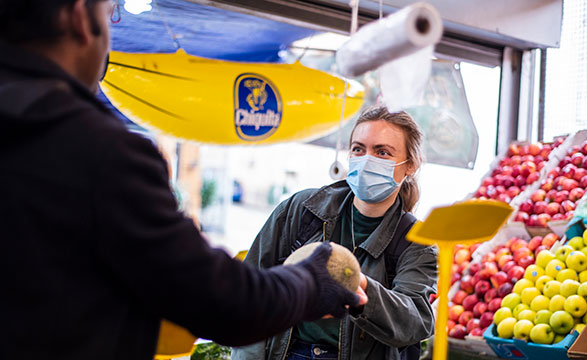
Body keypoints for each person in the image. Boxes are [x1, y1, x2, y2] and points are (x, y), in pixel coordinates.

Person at [0, 1, 366, 359]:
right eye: (108, 14)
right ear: (80, 16)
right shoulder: (96, 150)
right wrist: (312, 281)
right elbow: (223, 303)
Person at [232, 106, 438, 360]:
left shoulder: (417, 242)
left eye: (382, 152)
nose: (367, 160)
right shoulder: (301, 210)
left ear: (410, 166)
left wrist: (360, 285)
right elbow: (251, 290)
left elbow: (415, 321)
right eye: (358, 149)